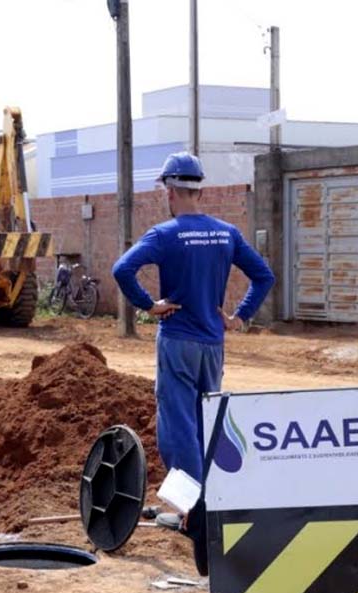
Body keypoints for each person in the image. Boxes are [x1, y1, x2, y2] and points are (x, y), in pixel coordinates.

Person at [112, 152, 275, 525]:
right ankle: (212, 502)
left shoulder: (164, 234)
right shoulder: (226, 232)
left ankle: (191, 512)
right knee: (207, 421)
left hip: (177, 341)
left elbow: (122, 269)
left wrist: (148, 305)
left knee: (178, 425)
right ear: (198, 190)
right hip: (213, 344)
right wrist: (239, 317)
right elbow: (264, 276)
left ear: (170, 191)